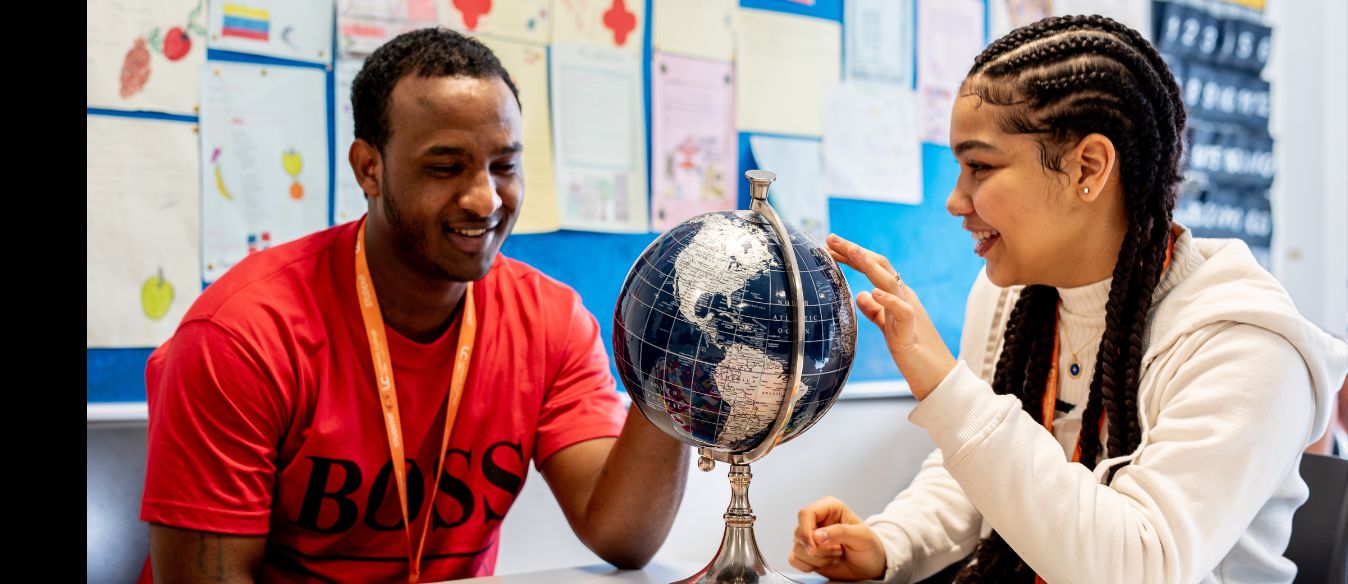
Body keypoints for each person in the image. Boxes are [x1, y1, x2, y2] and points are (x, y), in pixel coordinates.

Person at [787, 15, 1347, 583]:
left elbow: (1138, 567)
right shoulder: (1013, 300)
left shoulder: (1244, 343)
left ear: (1089, 167)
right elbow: (976, 485)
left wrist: (944, 386)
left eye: (980, 166)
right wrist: (891, 542)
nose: (957, 201)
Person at [139, 28, 688, 583]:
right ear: (368, 169)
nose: (486, 199)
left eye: (504, 165)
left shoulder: (551, 321)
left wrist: (672, 362)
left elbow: (623, 537)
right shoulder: (240, 335)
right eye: (445, 167)